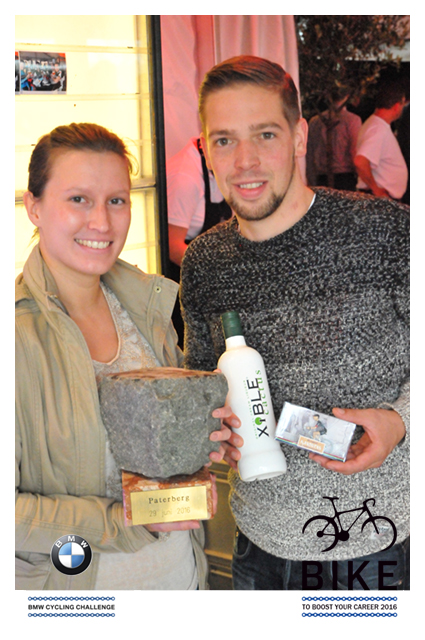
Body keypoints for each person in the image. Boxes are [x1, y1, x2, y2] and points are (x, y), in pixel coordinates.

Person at [180, 56, 410, 590]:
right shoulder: (204, 264)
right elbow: (203, 388)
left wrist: (401, 422)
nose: (245, 162)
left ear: (300, 136)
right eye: (224, 140)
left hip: (374, 547)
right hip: (258, 547)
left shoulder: (384, 233)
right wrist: (213, 431)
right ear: (205, 149)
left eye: (265, 135)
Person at [15, 122, 241, 591]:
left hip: (181, 580)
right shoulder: (16, 338)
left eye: (116, 200)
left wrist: (205, 441)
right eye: (79, 199)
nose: (102, 222)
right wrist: (125, 524)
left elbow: (162, 463)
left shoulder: (147, 307)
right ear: (34, 206)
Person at [167, 137, 232, 346]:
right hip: (181, 275)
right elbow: (172, 246)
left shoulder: (220, 164)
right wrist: (216, 273)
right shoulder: (185, 177)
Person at [354, 82, 408, 200]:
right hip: (377, 199)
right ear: (396, 106)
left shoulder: (377, 125)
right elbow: (360, 161)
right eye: (402, 104)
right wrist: (376, 189)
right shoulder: (378, 128)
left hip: (378, 198)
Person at [306, 94, 361, 191]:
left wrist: (311, 180)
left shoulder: (315, 121)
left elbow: (310, 155)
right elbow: (354, 150)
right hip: (345, 177)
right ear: (347, 96)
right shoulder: (352, 120)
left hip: (321, 177)